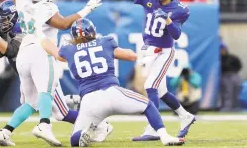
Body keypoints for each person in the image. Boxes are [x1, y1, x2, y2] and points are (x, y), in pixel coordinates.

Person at [0, 0, 102, 146]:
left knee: (30, 102)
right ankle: (44, 125)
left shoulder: (24, 0)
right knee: (46, 91)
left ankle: (5, 131)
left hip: (23, 52)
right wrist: (87, 9)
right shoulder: (48, 7)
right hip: (40, 50)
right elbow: (63, 24)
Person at [0, 0, 112, 146]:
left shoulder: (28, 15)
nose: (2, 22)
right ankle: (37, 125)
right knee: (49, 108)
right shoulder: (33, 12)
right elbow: (61, 24)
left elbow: (60, 24)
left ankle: (7, 131)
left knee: (40, 106)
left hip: (31, 59)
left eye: (6, 18)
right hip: (35, 60)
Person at [87, 0, 195, 141]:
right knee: (161, 91)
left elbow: (176, 35)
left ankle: (153, 127)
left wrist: (167, 21)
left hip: (164, 52)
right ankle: (185, 116)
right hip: (150, 50)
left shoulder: (180, 10)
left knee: (150, 86)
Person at [57, 18, 185, 147]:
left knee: (74, 140)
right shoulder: (105, 41)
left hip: (89, 101)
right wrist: (146, 53)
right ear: (92, 32)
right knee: (148, 105)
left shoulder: (67, 50)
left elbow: (57, 54)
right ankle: (164, 136)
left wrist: (40, 35)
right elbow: (130, 56)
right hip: (112, 93)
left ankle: (85, 132)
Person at [220, 42, 242, 111]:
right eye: (221, 49)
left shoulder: (232, 57)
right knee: (227, 93)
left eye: (223, 49)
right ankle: (227, 108)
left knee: (236, 92)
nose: (222, 51)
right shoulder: (219, 59)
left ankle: (235, 108)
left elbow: (239, 65)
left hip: (234, 75)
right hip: (225, 76)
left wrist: (235, 71)